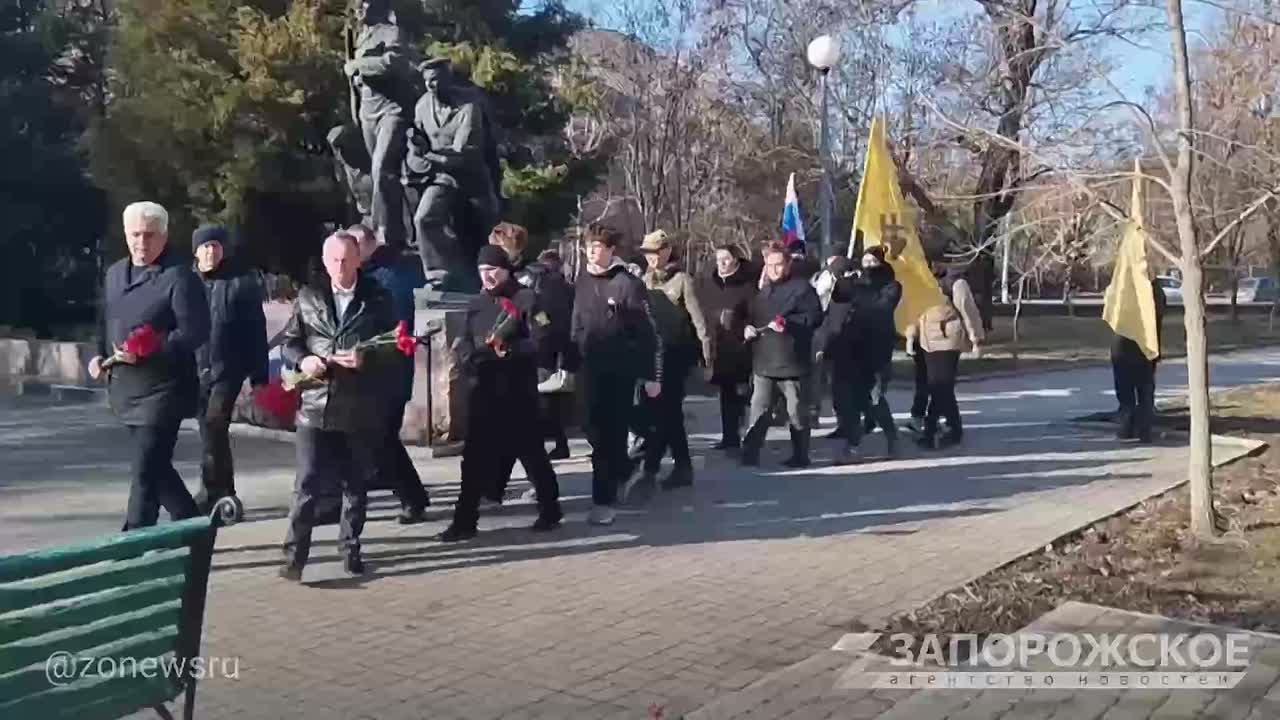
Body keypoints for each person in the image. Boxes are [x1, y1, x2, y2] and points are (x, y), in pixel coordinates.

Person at [279, 232, 398, 580]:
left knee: (355, 483)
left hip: (359, 404)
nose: (340, 267)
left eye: (346, 260)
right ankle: (294, 556)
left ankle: (350, 547)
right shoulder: (310, 295)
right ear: (324, 260)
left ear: (359, 259)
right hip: (315, 403)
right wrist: (304, 360)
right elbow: (290, 341)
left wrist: (366, 358)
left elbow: (394, 345)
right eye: (334, 260)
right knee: (307, 482)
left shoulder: (377, 297)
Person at [90, 202, 209, 530]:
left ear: (164, 236)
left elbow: (195, 331)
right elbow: (105, 320)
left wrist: (151, 349)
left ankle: (133, 540)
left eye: (150, 235)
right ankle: (194, 528)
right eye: (135, 234)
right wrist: (98, 355)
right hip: (125, 389)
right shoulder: (115, 273)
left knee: (145, 470)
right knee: (157, 469)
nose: (142, 242)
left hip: (163, 391)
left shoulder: (179, 277)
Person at [436, 245, 564, 541]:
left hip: (518, 393)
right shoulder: (477, 303)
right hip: (483, 391)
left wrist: (512, 350)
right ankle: (464, 521)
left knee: (532, 455)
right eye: (482, 271)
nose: (487, 276)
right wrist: (467, 357)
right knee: (473, 460)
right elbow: (463, 340)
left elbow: (544, 339)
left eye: (493, 270)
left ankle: (550, 509)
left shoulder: (527, 299)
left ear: (506, 270)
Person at [571, 223, 661, 526]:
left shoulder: (627, 284)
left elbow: (646, 334)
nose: (591, 252)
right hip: (588, 367)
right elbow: (576, 321)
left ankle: (603, 501)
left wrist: (650, 375)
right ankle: (624, 469)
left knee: (610, 436)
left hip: (618, 372)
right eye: (588, 246)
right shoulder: (582, 280)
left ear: (611, 250)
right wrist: (569, 356)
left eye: (598, 246)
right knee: (592, 431)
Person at [351, 224, 431, 523]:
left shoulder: (390, 275)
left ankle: (413, 498)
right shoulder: (366, 274)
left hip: (390, 371)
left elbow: (395, 325)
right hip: (370, 371)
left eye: (354, 247)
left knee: (383, 438)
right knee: (375, 438)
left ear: (369, 245)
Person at [190, 224, 269, 513]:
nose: (211, 252)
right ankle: (224, 490)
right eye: (206, 246)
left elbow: (256, 331)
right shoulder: (186, 282)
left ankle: (212, 491)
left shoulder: (241, 284)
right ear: (196, 251)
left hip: (228, 369)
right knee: (209, 431)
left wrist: (259, 376)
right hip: (194, 369)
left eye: (216, 246)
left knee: (214, 425)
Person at [405, 58, 500, 291]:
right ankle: (438, 275)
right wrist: (415, 150)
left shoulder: (469, 108)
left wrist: (428, 155)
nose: (431, 86)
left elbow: (461, 154)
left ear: (448, 79)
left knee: (486, 233)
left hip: (472, 179)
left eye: (436, 80)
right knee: (423, 218)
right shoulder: (422, 106)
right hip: (443, 178)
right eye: (427, 81)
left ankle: (489, 280)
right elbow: (416, 144)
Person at [630, 230, 712, 495]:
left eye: (655, 252)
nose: (651, 257)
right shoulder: (643, 281)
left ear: (666, 251)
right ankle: (681, 466)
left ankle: (653, 468)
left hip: (677, 355)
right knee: (666, 414)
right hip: (653, 356)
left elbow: (699, 321)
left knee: (667, 411)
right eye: (647, 253)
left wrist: (707, 357)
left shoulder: (682, 280)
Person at [741, 242, 823, 468]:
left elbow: (814, 318)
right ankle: (750, 453)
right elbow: (752, 317)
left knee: (796, 412)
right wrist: (748, 328)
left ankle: (800, 455)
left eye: (778, 265)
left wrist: (789, 324)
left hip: (792, 362)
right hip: (764, 361)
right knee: (759, 409)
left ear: (788, 265)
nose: (773, 270)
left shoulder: (802, 289)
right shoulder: (763, 291)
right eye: (769, 265)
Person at [815, 247, 901, 462]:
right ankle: (852, 445)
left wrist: (859, 293)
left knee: (874, 398)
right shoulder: (854, 283)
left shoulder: (891, 286)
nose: (869, 266)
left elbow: (882, 308)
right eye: (865, 261)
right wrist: (840, 278)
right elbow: (836, 302)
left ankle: (892, 437)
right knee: (849, 399)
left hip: (876, 349)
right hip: (849, 348)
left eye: (873, 261)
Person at [906, 265, 984, 450]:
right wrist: (911, 337)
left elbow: (969, 311)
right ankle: (952, 429)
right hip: (926, 341)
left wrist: (976, 339)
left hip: (947, 340)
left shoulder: (956, 283)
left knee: (941, 387)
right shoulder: (922, 282)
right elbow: (913, 313)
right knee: (941, 388)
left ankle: (932, 430)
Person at [698, 243, 756, 450]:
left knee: (740, 392)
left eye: (726, 259)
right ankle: (729, 436)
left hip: (739, 346)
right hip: (717, 345)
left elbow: (754, 313)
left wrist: (743, 326)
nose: (721, 264)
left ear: (735, 261)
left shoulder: (746, 286)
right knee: (726, 392)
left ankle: (743, 433)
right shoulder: (709, 284)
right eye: (718, 259)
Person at [1112, 277, 1167, 444]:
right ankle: (1144, 430)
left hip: (1124, 349)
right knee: (1145, 392)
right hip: (1144, 348)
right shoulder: (1155, 292)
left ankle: (1127, 427)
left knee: (1126, 392)